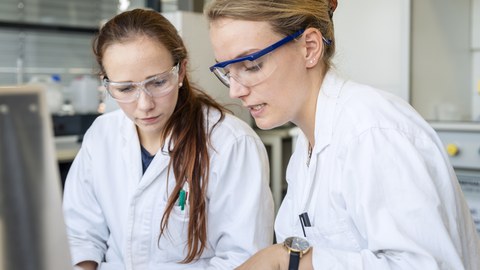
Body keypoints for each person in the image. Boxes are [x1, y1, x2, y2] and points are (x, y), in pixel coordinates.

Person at [205, 0, 480, 269]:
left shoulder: (371, 131)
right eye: (227, 71)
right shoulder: (307, 144)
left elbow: (423, 264)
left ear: (309, 48)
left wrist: (290, 260)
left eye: (252, 65)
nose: (235, 91)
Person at [62, 8, 274, 270]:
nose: (144, 105)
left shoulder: (232, 144)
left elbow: (244, 258)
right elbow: (79, 234)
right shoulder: (101, 136)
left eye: (158, 82)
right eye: (125, 88)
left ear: (181, 71)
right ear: (107, 84)